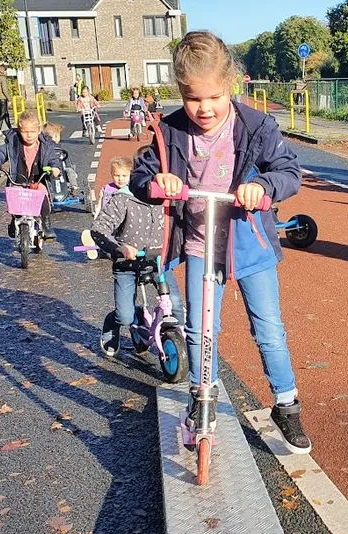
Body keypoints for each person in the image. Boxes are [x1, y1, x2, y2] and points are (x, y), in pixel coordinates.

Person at [130, 30, 311, 454]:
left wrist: (264, 186)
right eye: (193, 99)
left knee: (268, 329)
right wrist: (157, 181)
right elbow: (142, 173)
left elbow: (288, 171)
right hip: (198, 243)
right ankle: (201, 395)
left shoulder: (255, 126)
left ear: (229, 86)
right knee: (199, 328)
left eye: (213, 97)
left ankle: (286, 404)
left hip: (248, 245)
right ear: (181, 92)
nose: (204, 108)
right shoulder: (170, 131)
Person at [89, 158, 184, 357]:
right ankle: (112, 322)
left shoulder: (168, 199)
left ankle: (179, 345)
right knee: (125, 316)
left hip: (157, 261)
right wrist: (119, 248)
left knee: (174, 305)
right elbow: (99, 229)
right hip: (127, 264)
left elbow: (183, 224)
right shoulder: (122, 199)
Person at [0, 110, 61, 240]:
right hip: (18, 179)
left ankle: (46, 224)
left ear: (38, 131)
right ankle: (14, 222)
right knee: (15, 199)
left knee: (43, 197)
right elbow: (1, 152)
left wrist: (55, 167)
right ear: (19, 131)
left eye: (32, 132)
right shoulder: (13, 143)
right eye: (25, 132)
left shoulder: (45, 145)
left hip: (37, 180)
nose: (29, 135)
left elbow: (52, 158)